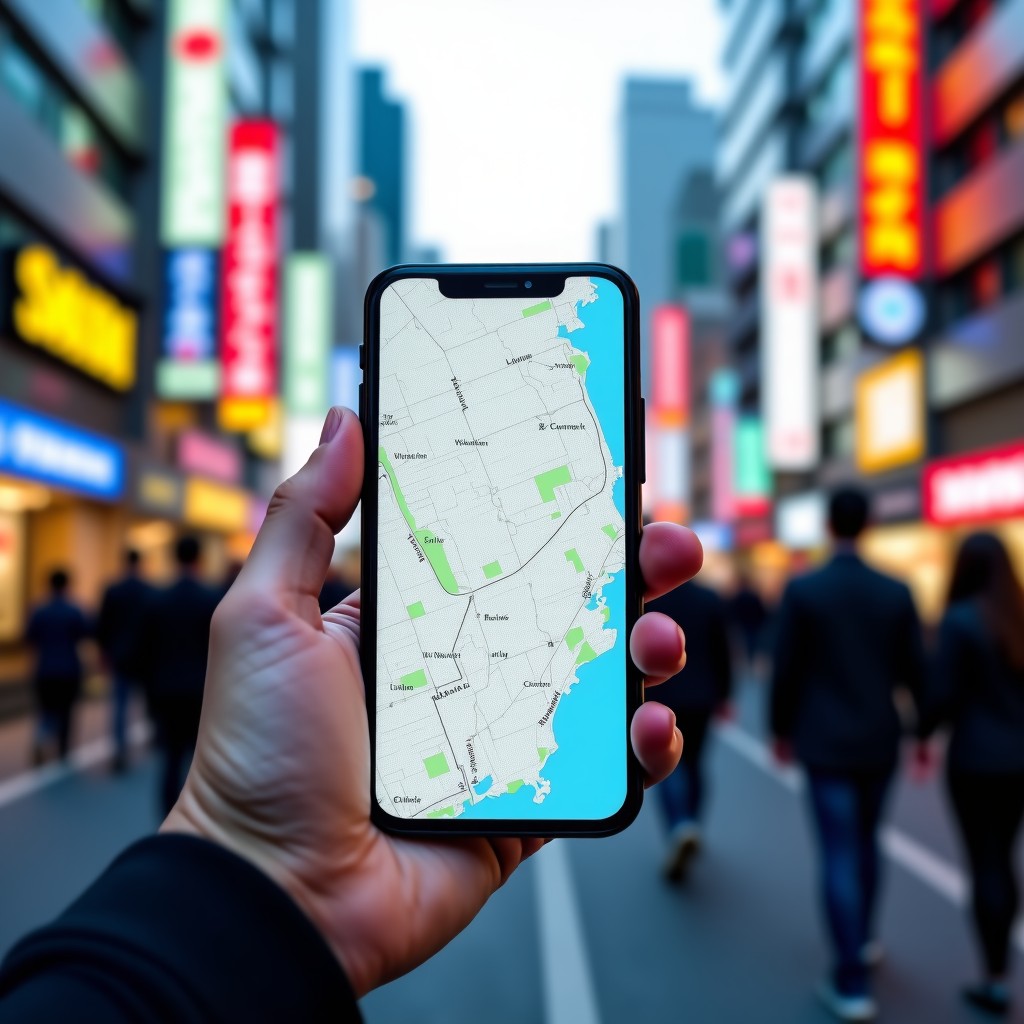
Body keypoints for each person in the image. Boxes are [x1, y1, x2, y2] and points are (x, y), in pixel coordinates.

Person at [0, 407, 703, 1021]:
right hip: (203, 712)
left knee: (170, 757)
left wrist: (244, 860)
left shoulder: (147, 599)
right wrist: (259, 863)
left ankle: (105, 759)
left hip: (162, 694)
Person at [769, 486, 925, 1023]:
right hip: (881, 738)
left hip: (824, 741)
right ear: (869, 524)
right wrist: (924, 734)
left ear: (829, 526)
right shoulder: (896, 591)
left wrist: (779, 730)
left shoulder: (805, 591)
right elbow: (915, 672)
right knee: (866, 843)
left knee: (838, 850)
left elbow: (784, 669)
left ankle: (851, 981)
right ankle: (865, 940)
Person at [918, 533, 1024, 1017]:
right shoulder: (1018, 618)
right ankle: (1001, 968)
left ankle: (994, 978)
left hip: (975, 762)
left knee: (984, 864)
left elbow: (941, 696)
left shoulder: (960, 622)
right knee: (1003, 858)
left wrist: (919, 735)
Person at [648, 576, 732, 882]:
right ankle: (692, 822)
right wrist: (725, 695)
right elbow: (723, 651)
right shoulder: (709, 597)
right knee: (695, 762)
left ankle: (680, 825)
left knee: (666, 766)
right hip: (702, 697)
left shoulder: (646, 600)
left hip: (660, 697)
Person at [137, 536, 221, 816]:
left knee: (170, 759)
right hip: (201, 692)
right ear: (199, 558)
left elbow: (145, 650)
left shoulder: (157, 600)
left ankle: (167, 819)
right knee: (200, 760)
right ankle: (195, 820)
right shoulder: (211, 598)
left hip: (165, 692)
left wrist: (149, 692)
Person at [96, 549, 154, 772]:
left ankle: (119, 750)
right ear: (140, 563)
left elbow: (103, 624)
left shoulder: (113, 589)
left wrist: (103, 653)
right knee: (148, 700)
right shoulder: (149, 590)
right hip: (145, 656)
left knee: (119, 704)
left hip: (119, 654)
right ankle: (152, 736)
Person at [25, 570, 90, 763]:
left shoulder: (39, 610)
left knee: (46, 709)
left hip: (44, 667)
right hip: (69, 668)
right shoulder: (73, 610)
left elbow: (30, 637)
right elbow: (85, 632)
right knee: (67, 711)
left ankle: (41, 736)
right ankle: (63, 749)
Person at [728, 569, 765, 677]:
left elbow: (732, 610)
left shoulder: (737, 596)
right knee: (752, 642)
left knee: (742, 641)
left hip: (741, 624)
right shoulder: (754, 595)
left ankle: (744, 662)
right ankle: (751, 661)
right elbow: (761, 610)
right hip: (754, 623)